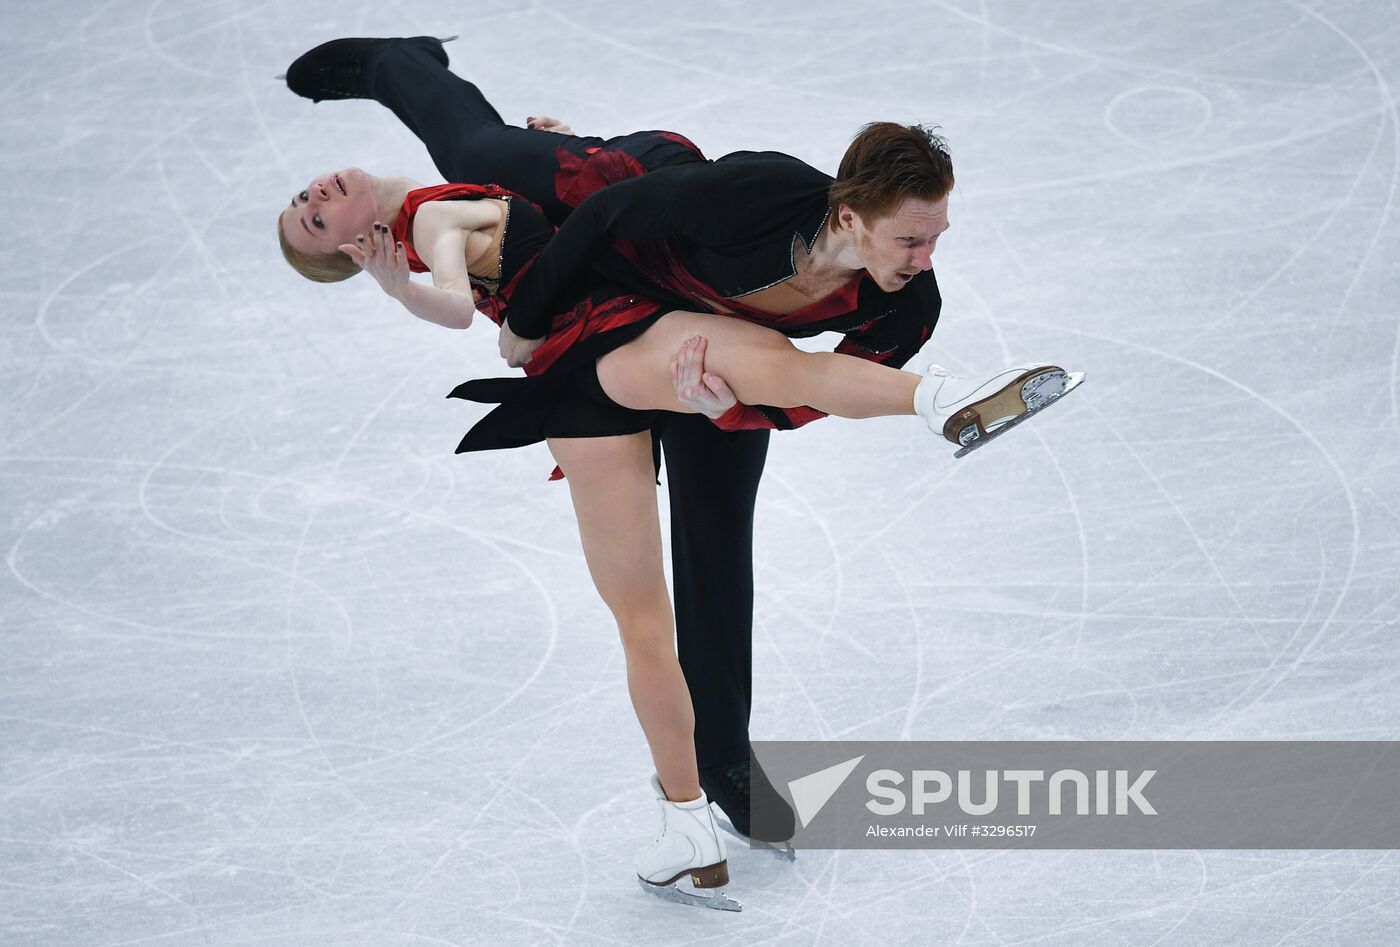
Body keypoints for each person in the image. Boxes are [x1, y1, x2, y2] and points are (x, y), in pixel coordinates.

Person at [276, 164, 1070, 908]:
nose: (315, 195)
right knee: (784, 383)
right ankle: (948, 400)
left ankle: (687, 830)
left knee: (645, 627)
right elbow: (455, 304)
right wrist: (396, 285)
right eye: (314, 220)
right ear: (350, 245)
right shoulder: (426, 224)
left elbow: (520, 160)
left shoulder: (457, 182)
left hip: (583, 394)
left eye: (302, 197)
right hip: (629, 344)